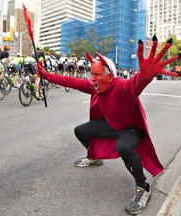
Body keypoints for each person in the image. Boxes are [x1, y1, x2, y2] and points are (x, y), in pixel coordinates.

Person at [37, 35, 181, 215]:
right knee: (80, 131)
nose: (92, 79)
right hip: (110, 126)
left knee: (124, 147)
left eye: (97, 74)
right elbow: (70, 81)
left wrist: (144, 76)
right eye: (92, 74)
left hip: (131, 130)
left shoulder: (121, 87)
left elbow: (135, 84)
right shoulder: (93, 86)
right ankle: (96, 157)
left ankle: (143, 187)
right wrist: (45, 75)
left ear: (110, 76)